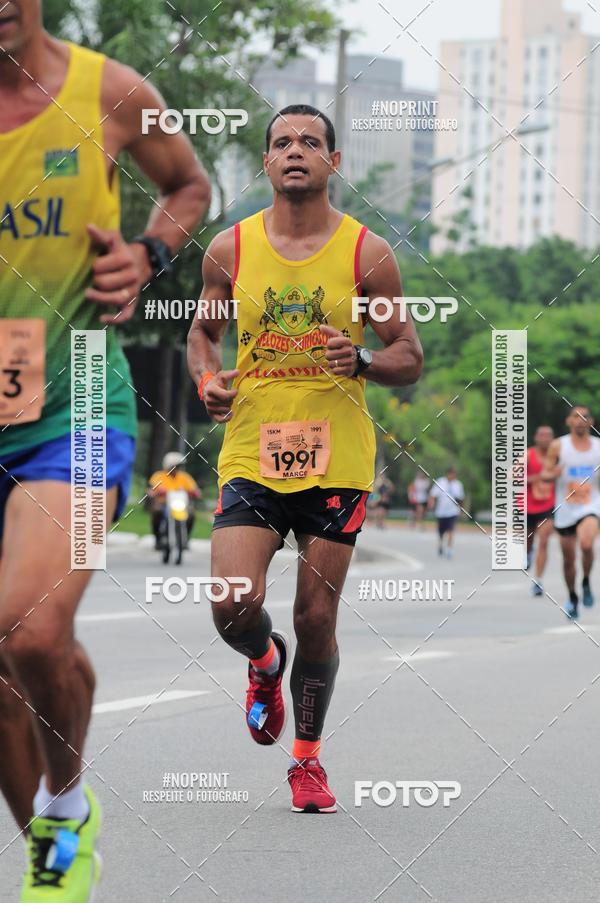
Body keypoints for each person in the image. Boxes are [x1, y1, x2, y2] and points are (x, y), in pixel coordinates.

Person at [0, 5, 210, 899]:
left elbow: (190, 186)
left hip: (79, 391)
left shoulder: (111, 92)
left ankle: (70, 802)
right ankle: (51, 849)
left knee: (31, 628)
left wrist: (149, 255)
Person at [188, 103, 423, 813]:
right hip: (252, 454)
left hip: (338, 461)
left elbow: (409, 358)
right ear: (266, 162)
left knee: (317, 616)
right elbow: (202, 335)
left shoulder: (367, 254)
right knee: (233, 603)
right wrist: (205, 376)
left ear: (333, 162)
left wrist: (361, 358)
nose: (296, 151)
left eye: (311, 142)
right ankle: (264, 660)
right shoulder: (228, 251)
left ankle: (308, 761)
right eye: (282, 142)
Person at [542, 405, 600, 619]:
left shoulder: (598, 447)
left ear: (591, 422)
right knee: (568, 561)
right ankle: (573, 596)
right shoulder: (559, 446)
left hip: (590, 505)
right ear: (569, 421)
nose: (580, 420)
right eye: (575, 417)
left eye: (584, 417)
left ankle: (585, 581)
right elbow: (546, 474)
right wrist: (554, 472)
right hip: (565, 508)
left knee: (586, 543)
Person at [148, 452, 202, 547]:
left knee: (191, 514)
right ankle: (158, 539)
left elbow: (195, 490)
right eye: (175, 466)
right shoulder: (159, 476)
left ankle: (185, 538)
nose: (177, 469)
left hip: (181, 504)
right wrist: (156, 492)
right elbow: (151, 489)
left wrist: (195, 493)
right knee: (157, 512)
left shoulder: (184, 477)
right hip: (164, 504)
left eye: (179, 466)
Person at [525, 426, 555, 596]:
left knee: (544, 540)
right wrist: (533, 479)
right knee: (529, 540)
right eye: (542, 435)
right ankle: (528, 554)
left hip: (548, 506)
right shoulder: (528, 455)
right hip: (528, 506)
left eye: (548, 435)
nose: (545, 438)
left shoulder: (557, 456)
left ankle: (538, 581)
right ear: (536, 437)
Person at [428, 467, 464, 559]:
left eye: (454, 474)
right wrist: (431, 503)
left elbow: (461, 499)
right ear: (448, 474)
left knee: (451, 531)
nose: (453, 476)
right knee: (441, 532)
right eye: (451, 474)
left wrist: (461, 509)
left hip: (452, 512)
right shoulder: (440, 482)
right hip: (441, 512)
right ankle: (440, 545)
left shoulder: (458, 484)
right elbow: (432, 494)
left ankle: (449, 550)